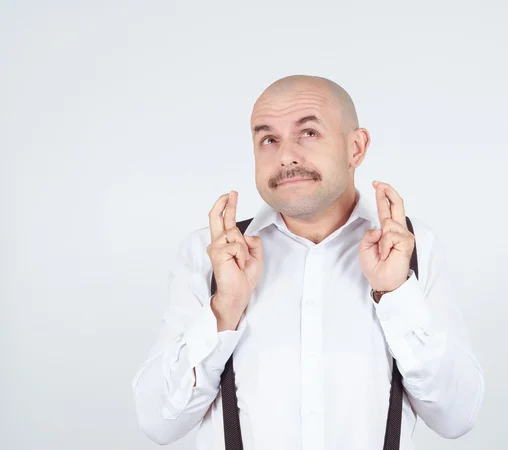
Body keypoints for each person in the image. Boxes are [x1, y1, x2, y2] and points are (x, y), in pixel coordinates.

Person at [131, 75, 485, 450]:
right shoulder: (210, 253)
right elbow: (158, 424)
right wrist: (225, 308)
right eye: (268, 139)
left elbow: (456, 416)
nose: (285, 156)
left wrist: (395, 294)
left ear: (356, 148)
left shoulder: (413, 249)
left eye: (309, 133)